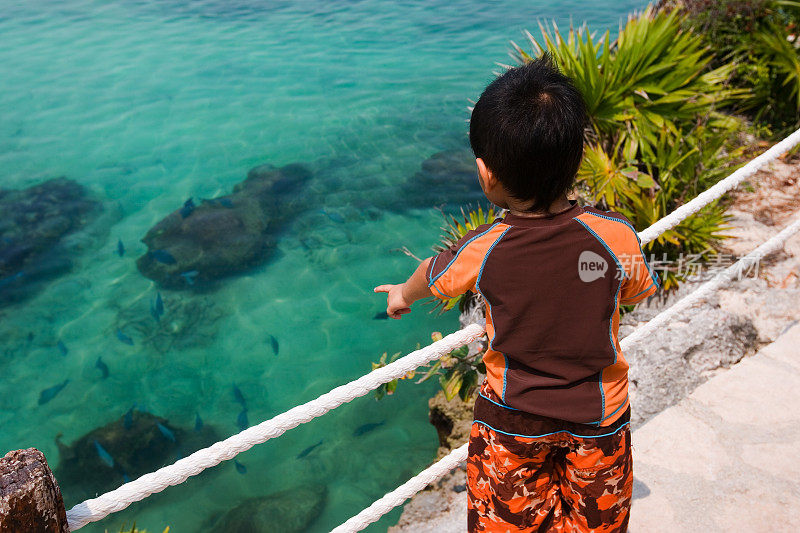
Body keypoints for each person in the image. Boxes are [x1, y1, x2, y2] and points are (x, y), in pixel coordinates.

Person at [374, 55, 659, 532]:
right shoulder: (617, 236)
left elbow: (432, 273)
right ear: (577, 159)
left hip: (512, 420)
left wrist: (402, 294)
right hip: (600, 418)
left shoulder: (483, 248)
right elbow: (634, 293)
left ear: (487, 175)